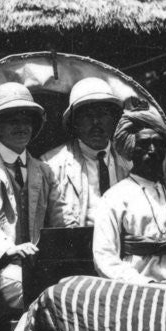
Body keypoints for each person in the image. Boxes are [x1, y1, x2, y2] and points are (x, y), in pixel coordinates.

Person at [0, 82, 73, 322]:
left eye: (27, 120)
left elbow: (62, 220)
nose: (22, 127)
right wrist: (8, 250)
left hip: (40, 269)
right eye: (12, 120)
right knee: (49, 297)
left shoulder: (44, 171)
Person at [92, 107, 166, 283]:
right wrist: (145, 284)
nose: (152, 150)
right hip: (137, 289)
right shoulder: (114, 198)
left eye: (159, 144)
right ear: (131, 148)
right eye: (144, 144)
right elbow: (105, 257)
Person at [43, 77, 128, 227]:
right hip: (78, 246)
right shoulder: (51, 164)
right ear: (75, 122)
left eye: (102, 115)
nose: (96, 122)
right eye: (88, 116)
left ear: (114, 120)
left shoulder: (129, 159)